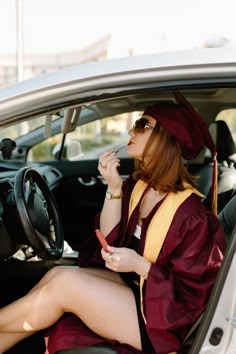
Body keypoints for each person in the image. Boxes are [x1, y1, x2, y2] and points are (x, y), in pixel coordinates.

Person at [0, 92, 225, 354]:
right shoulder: (141, 187)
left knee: (64, 286)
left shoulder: (193, 217)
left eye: (142, 125)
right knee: (57, 274)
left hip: (162, 322)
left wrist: (141, 266)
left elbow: (191, 298)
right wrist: (113, 187)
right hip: (134, 291)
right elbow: (109, 238)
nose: (131, 129)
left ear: (165, 139)